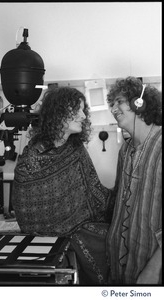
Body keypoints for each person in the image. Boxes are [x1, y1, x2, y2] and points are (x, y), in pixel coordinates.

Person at [11, 86, 113, 285]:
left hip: (81, 228)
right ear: (58, 113)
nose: (83, 116)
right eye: (78, 110)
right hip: (48, 245)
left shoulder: (75, 147)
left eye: (84, 110)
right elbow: (27, 213)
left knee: (118, 236)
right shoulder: (33, 158)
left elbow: (93, 191)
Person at [106, 76, 162, 285]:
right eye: (112, 104)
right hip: (120, 263)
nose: (113, 109)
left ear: (138, 103)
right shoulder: (125, 150)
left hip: (151, 268)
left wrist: (153, 269)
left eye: (119, 102)